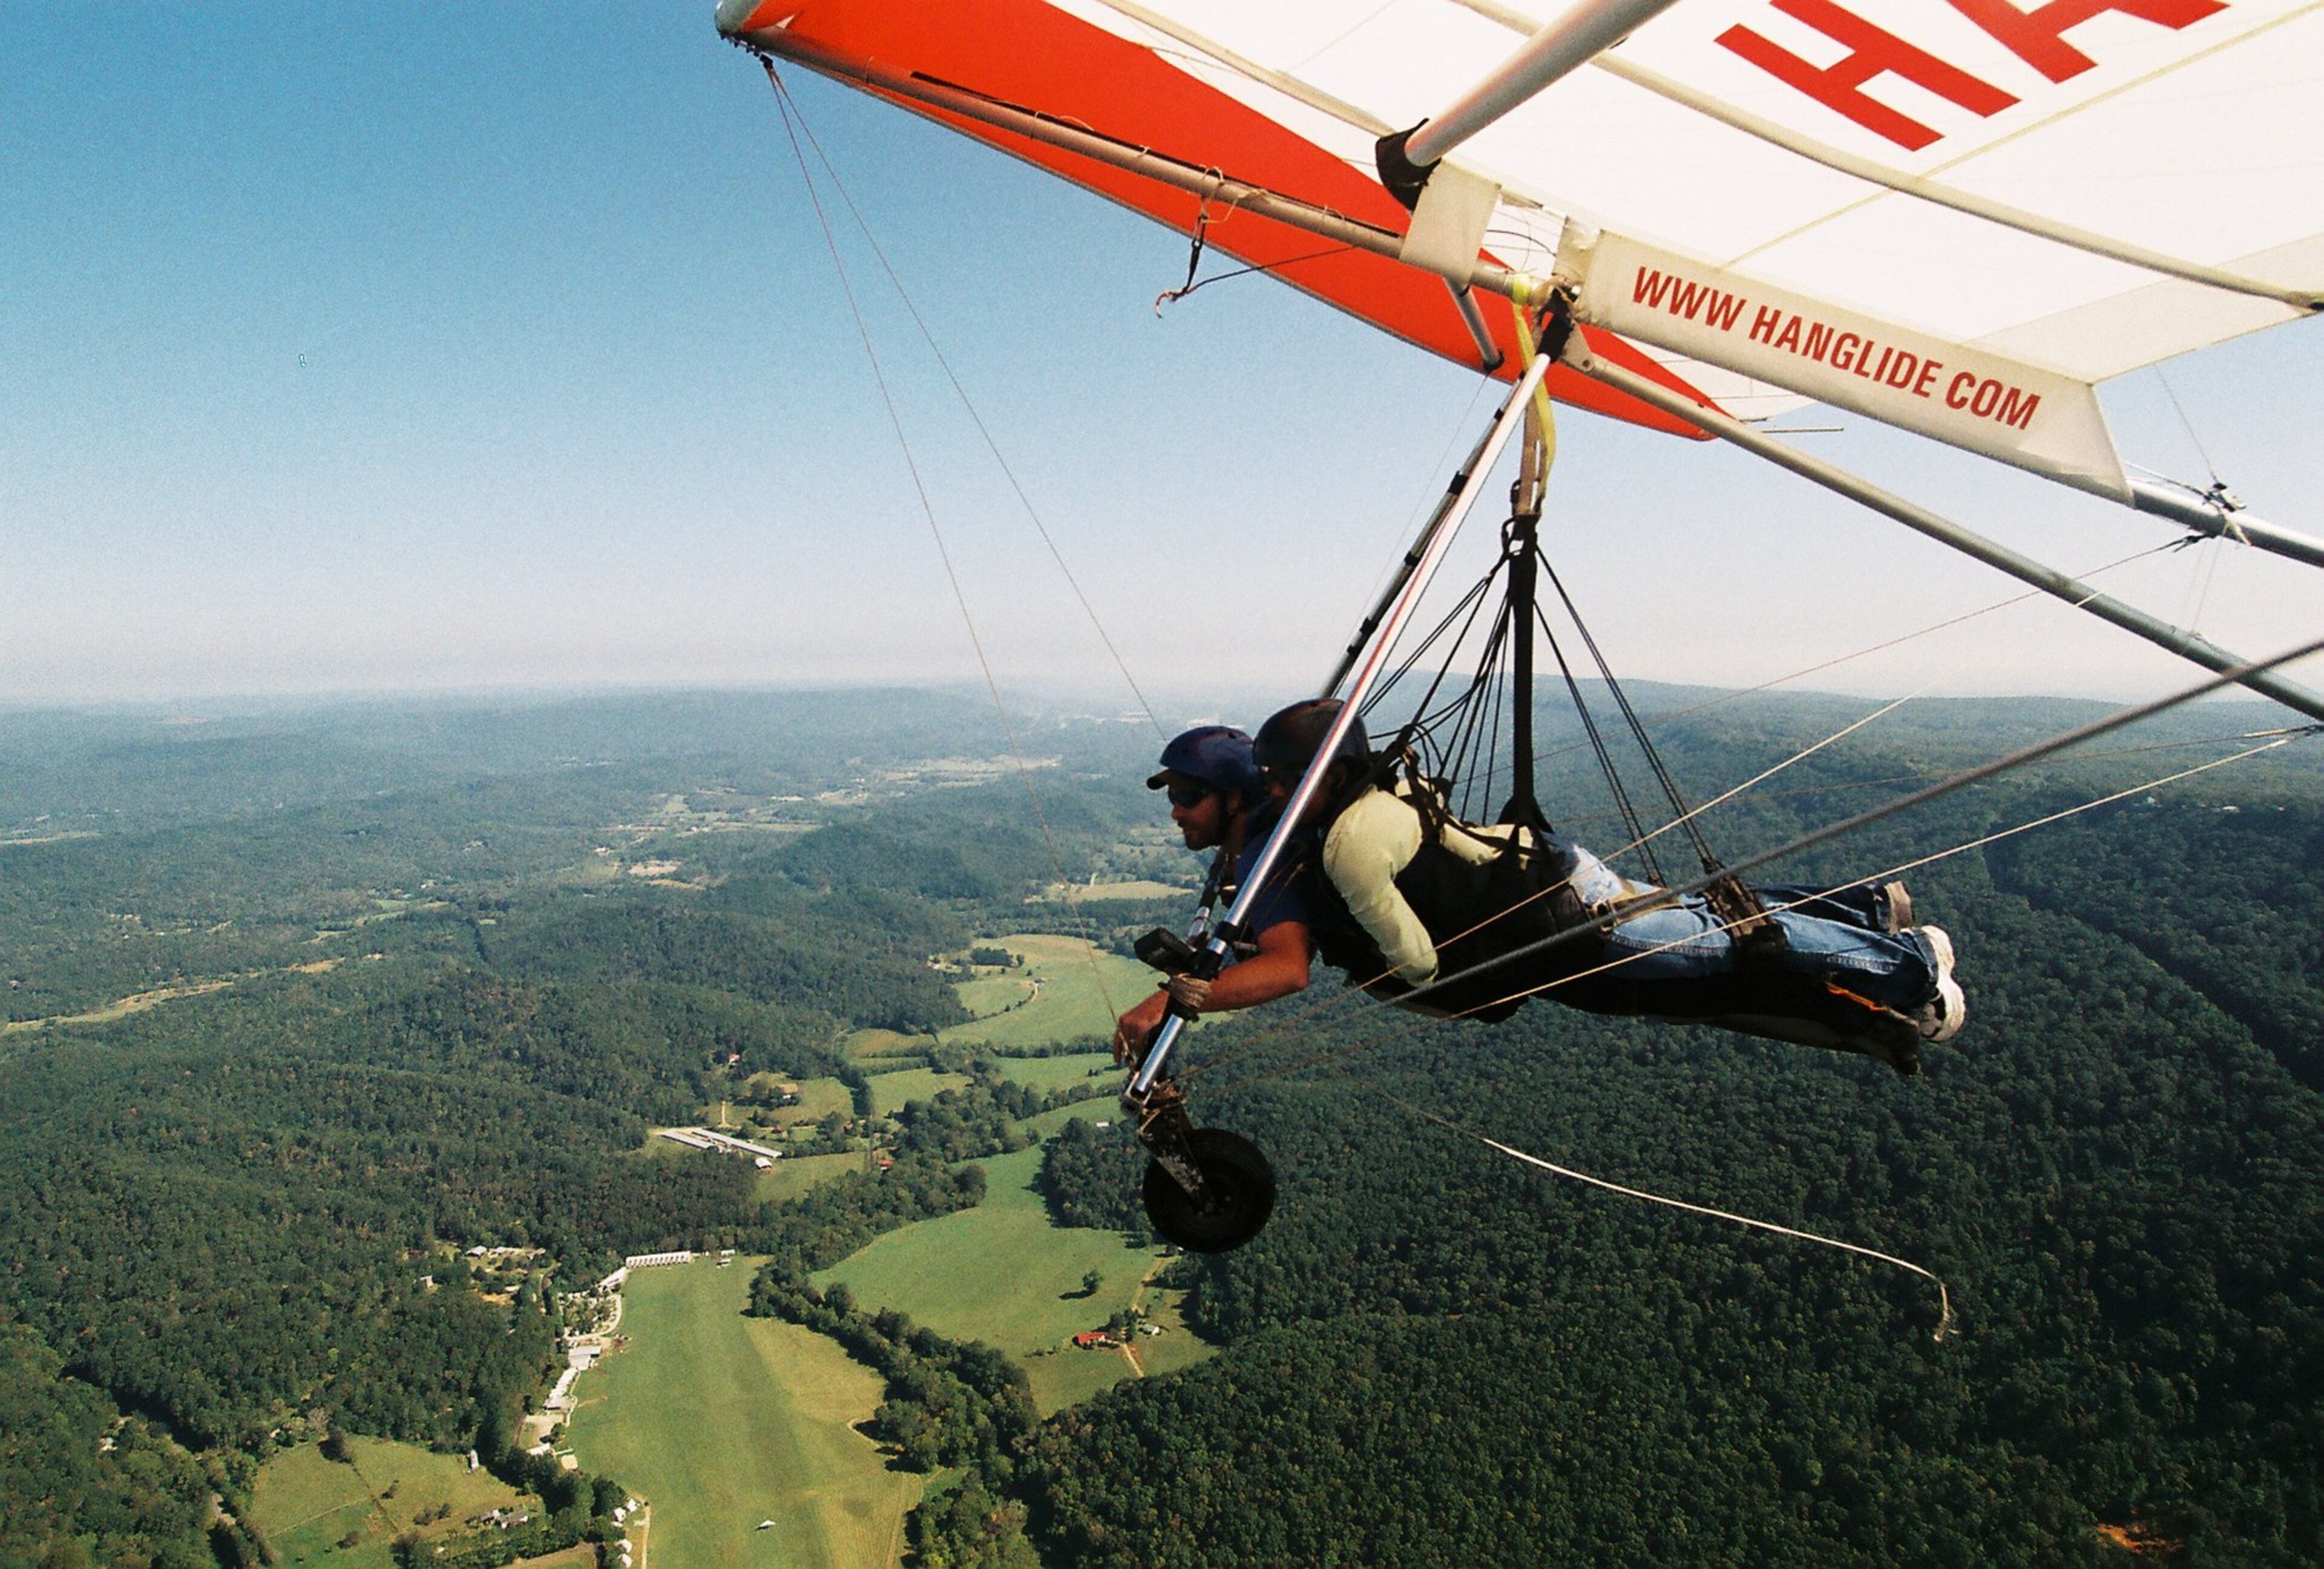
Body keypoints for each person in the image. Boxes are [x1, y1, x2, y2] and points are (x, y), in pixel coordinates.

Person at [1245, 698, 1966, 1074]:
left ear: (1329, 776)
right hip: (1551, 867)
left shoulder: (1348, 843)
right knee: (1713, 915)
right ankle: (1872, 909)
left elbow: (1419, 960)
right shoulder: (1386, 785)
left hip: (1568, 918)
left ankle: (1912, 968)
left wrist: (1379, 965)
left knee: (1733, 950)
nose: (1272, 790)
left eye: (1282, 778)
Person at [1111, 726, 1317, 1063]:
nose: (1176, 812)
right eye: (1172, 797)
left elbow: (1289, 969)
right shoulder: (1246, 851)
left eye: (1189, 797)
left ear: (1233, 799)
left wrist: (1169, 1000)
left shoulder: (1262, 855)